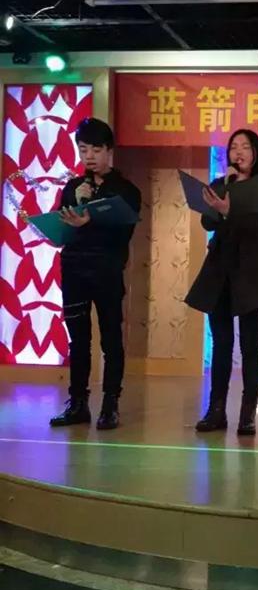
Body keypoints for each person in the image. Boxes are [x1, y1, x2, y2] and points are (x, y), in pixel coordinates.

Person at [185, 128, 258, 436]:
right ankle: (216, 410)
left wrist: (230, 210)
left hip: (250, 276)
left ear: (256, 153)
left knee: (250, 346)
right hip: (220, 274)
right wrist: (221, 201)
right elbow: (207, 221)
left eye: (245, 147)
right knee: (222, 344)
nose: (238, 152)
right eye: (233, 147)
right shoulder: (220, 184)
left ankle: (247, 413)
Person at [50, 117, 141, 431]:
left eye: (96, 150)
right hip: (74, 269)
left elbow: (124, 234)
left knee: (111, 339)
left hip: (107, 271)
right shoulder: (73, 188)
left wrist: (91, 219)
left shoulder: (126, 191)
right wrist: (74, 209)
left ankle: (110, 405)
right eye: (83, 149)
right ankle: (77, 403)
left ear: (109, 151)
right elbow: (62, 228)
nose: (89, 156)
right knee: (78, 340)